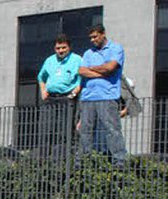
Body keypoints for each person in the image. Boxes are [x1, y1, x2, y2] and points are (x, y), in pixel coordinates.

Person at [77, 24, 127, 165]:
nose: (93, 40)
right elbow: (81, 71)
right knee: (85, 131)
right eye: (90, 37)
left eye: (95, 36)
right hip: (87, 97)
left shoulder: (116, 49)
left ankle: (119, 161)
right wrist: (102, 71)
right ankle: (84, 162)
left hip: (108, 96)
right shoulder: (88, 53)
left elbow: (111, 68)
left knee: (112, 129)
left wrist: (92, 69)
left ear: (103, 34)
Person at [37, 34, 82, 159]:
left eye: (63, 48)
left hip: (66, 98)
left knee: (63, 131)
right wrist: (43, 90)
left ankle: (60, 159)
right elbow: (41, 77)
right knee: (45, 129)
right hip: (50, 98)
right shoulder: (50, 60)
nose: (60, 51)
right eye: (58, 48)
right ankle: (43, 159)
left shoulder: (77, 60)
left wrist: (74, 93)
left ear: (69, 47)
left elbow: (82, 79)